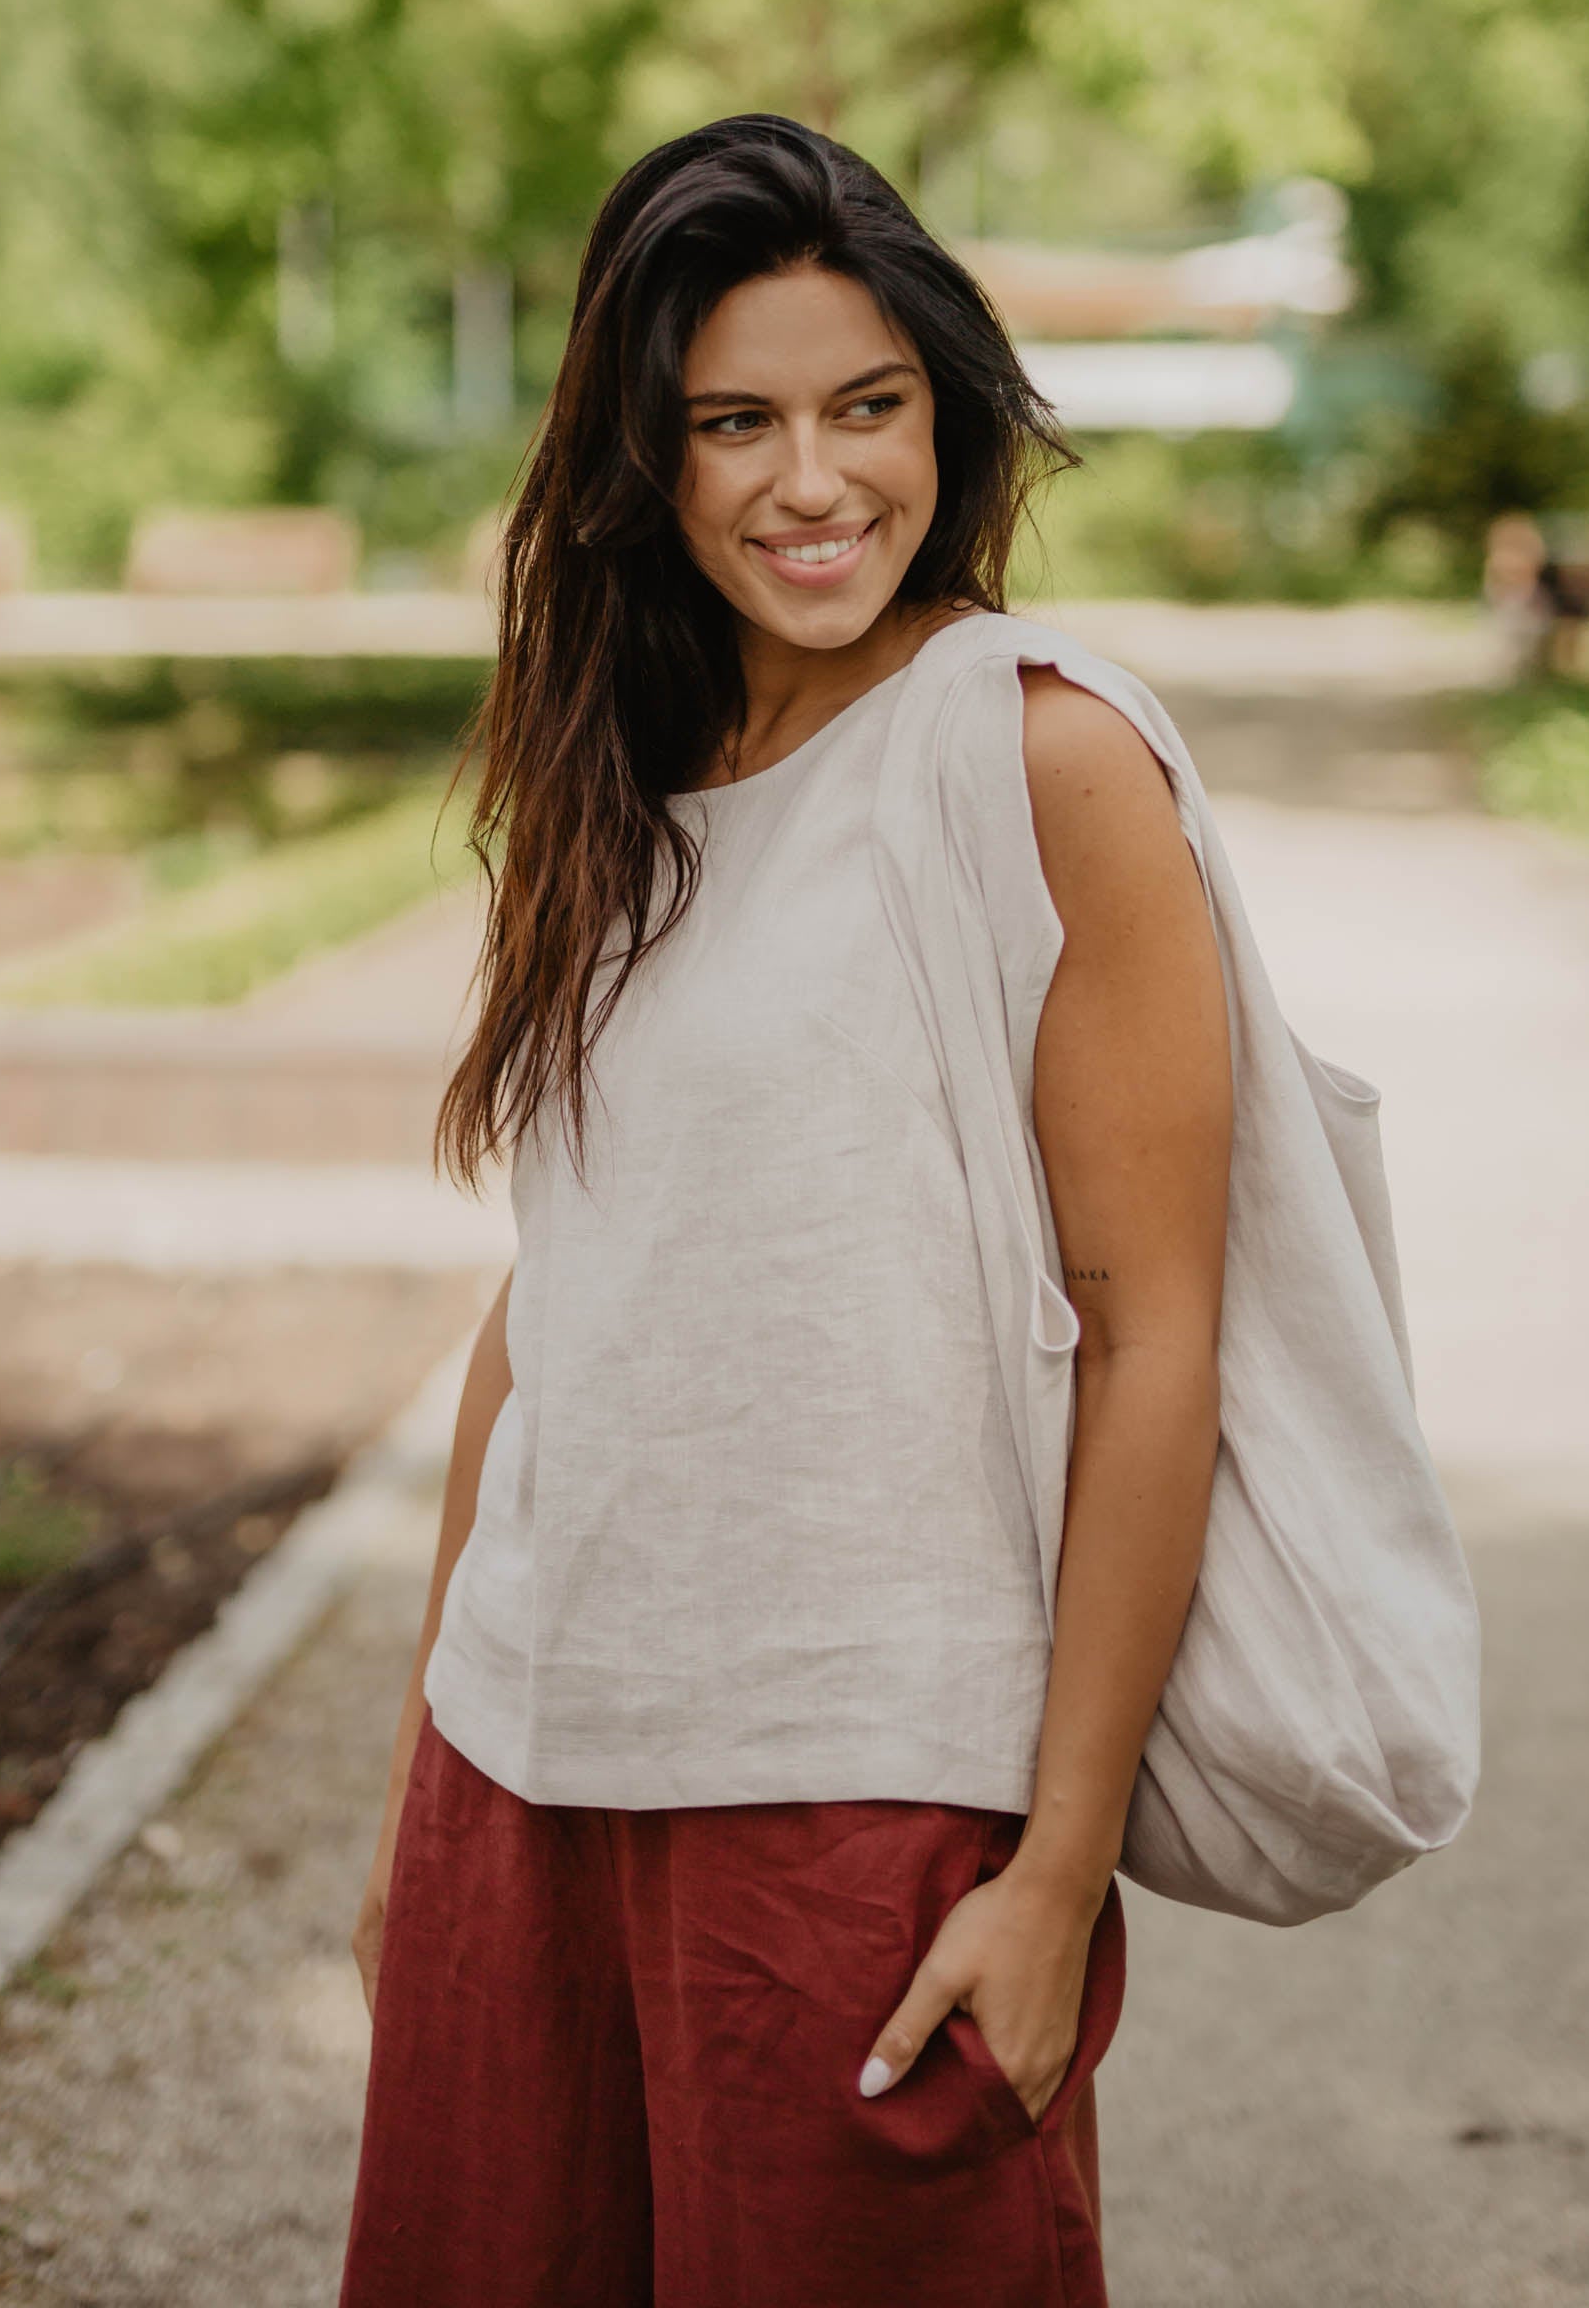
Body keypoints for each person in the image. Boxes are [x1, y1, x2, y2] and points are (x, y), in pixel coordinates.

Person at [338, 115, 1235, 2308]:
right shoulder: (620, 789)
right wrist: (417, 1790)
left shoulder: (1031, 753)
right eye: (731, 421)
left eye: (867, 407)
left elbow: (1156, 1332)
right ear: (644, 455)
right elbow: (552, 1311)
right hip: (526, 1766)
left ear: (950, 408)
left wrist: (1055, 1871)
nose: (808, 482)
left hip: (859, 1787)